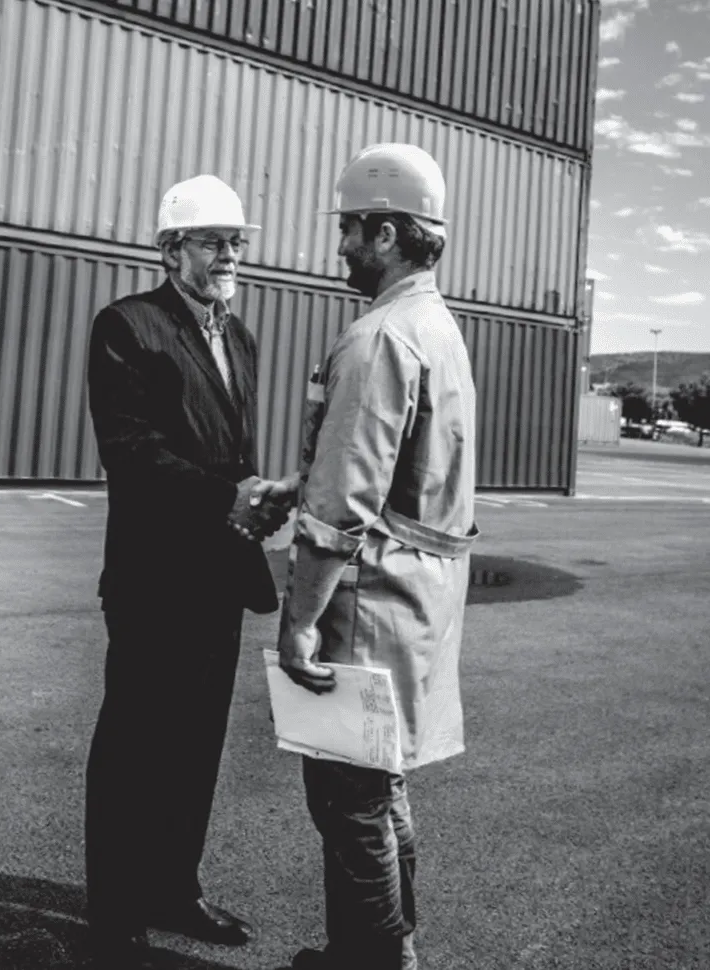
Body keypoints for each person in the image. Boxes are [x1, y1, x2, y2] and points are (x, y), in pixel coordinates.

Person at [257, 144, 479, 970]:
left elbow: (343, 510)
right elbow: (398, 475)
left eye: (350, 228)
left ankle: (375, 961)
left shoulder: (378, 338)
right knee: (382, 791)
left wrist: (299, 627)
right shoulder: (438, 328)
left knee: (350, 799)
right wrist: (302, 480)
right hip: (417, 603)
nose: (342, 244)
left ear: (386, 233)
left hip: (366, 603)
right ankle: (386, 947)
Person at [85, 174, 290, 970]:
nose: (230, 255)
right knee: (136, 743)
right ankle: (114, 914)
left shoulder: (240, 338)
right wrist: (228, 492)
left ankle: (174, 886)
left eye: (237, 241)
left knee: (197, 743)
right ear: (170, 249)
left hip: (218, 577)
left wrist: (258, 500)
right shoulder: (127, 326)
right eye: (213, 241)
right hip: (153, 580)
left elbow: (229, 450)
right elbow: (130, 454)